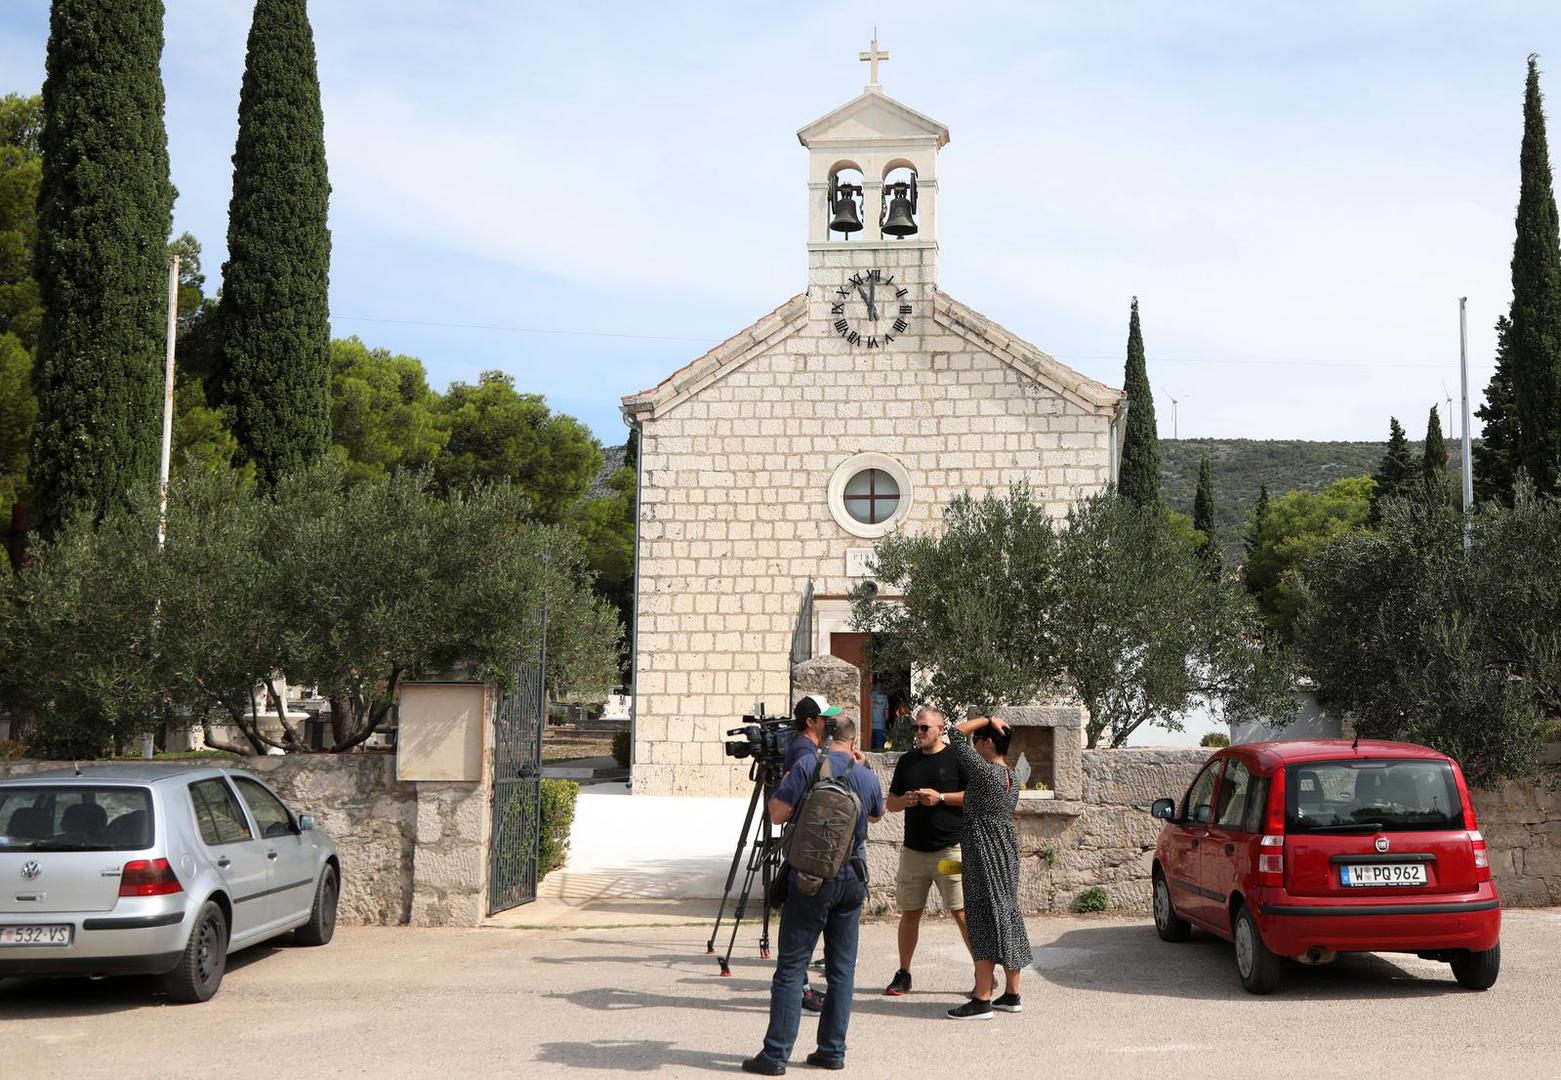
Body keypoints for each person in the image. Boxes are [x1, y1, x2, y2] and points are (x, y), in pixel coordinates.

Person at [743, 717, 885, 1075]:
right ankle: (832, 1050)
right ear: (854, 742)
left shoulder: (808, 764)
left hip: (808, 878)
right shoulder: (866, 776)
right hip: (851, 877)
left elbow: (777, 814)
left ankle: (775, 1055)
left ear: (824, 737)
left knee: (791, 968)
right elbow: (876, 817)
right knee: (841, 970)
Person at [943, 714, 1031, 1020]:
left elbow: (953, 734)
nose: (974, 743)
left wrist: (986, 718)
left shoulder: (985, 773)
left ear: (989, 742)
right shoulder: (1011, 777)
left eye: (978, 739)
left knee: (982, 919)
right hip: (1005, 852)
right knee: (1006, 915)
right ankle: (1012, 994)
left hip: (984, 852)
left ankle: (981, 999)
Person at [882, 706, 970, 996]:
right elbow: (889, 804)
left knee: (960, 912)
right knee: (910, 913)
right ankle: (904, 973)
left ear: (941, 729)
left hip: (949, 854)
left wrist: (940, 797)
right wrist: (905, 800)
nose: (918, 733)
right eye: (916, 728)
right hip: (914, 854)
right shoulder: (908, 761)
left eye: (924, 728)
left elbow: (974, 797)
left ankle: (983, 972)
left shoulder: (957, 758)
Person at [785, 693, 842, 1013]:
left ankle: (800, 985)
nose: (828, 723)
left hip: (807, 841)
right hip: (808, 844)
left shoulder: (807, 748)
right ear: (811, 721)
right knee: (804, 921)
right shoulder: (803, 751)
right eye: (824, 718)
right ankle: (801, 989)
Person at [870, 684, 889, 749]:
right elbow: (886, 716)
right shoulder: (885, 697)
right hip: (880, 726)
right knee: (879, 750)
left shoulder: (870, 696)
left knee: (866, 748)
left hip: (869, 726)